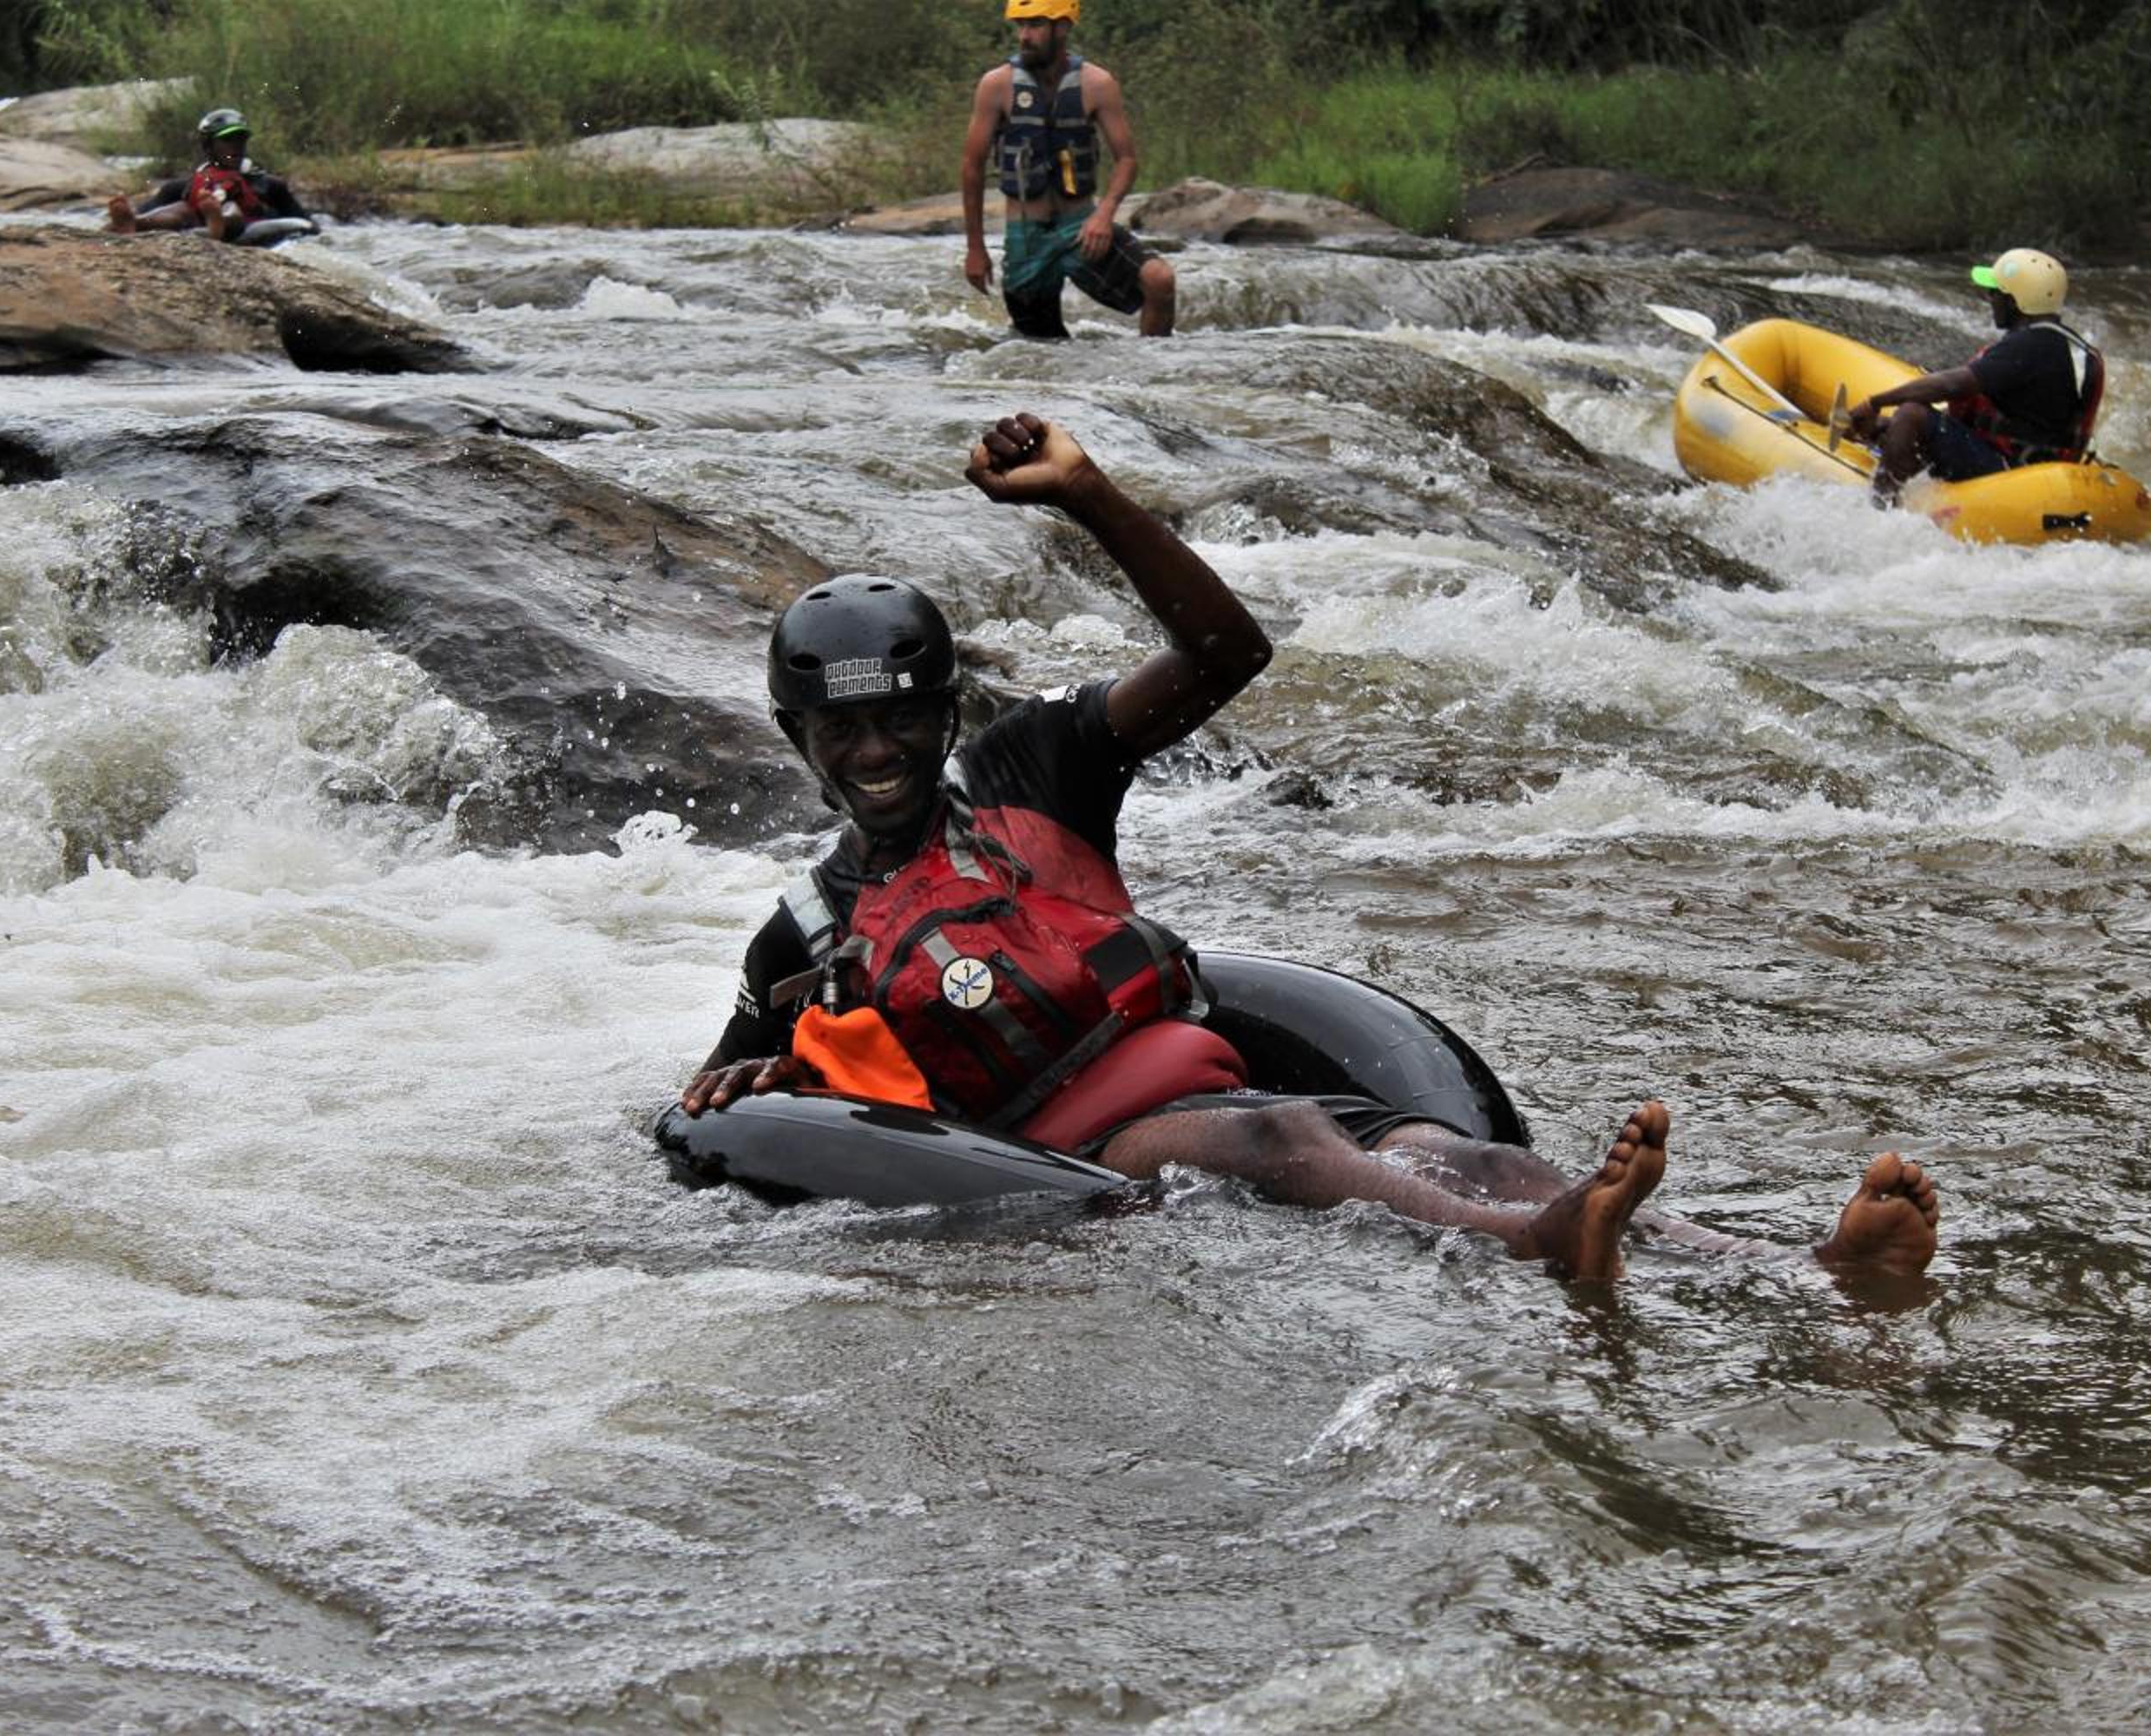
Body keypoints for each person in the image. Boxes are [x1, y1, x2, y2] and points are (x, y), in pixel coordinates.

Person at [680, 411, 1941, 1283]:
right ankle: (1542, 1245)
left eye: (902, 716)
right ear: (799, 737)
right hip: (1084, 1148)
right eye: (842, 731)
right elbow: (711, 1112)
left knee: (1467, 1151)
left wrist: (1086, 495)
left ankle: (1789, 1265)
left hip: (1211, 1070)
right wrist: (748, 1087)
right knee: (1282, 1144)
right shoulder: (802, 935)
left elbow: (1228, 654)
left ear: (946, 711)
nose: (877, 752)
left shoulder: (1036, 765)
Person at [959, 0, 1175, 340]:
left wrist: (1103, 215)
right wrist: (975, 248)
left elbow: (1127, 159)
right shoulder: (996, 85)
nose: (1024, 35)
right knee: (1042, 347)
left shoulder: (1098, 84)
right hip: (1026, 237)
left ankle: (1150, 378)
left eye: (1035, 25)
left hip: (1082, 228)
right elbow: (971, 167)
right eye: (1020, 25)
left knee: (1159, 281)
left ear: (1063, 27)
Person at [1845, 248, 2105, 503]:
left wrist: (1875, 402)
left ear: (2015, 302)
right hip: (2040, 462)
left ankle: (1882, 504)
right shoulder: (2063, 344)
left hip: (2015, 473)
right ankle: (1893, 451)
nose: (1990, 298)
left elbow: (1951, 385)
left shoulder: (2029, 345)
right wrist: (1886, 427)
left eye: (1995, 292)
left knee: (1911, 413)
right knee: (1901, 424)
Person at [107, 108, 315, 243]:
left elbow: (311, 229)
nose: (236, 146)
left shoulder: (271, 185)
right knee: (182, 210)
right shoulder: (182, 187)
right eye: (227, 140)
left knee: (230, 210)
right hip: (199, 221)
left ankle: (216, 224)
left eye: (240, 139)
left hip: (242, 224)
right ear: (208, 146)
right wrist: (130, 218)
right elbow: (154, 208)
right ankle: (138, 224)